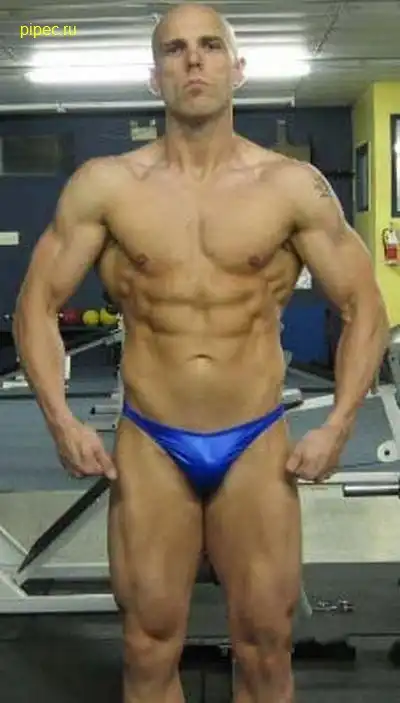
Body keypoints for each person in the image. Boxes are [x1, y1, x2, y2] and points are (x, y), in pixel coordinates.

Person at [12, 4, 389, 703]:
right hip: (152, 440)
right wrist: (60, 419)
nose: (193, 60)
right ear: (153, 76)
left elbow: (365, 305)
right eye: (175, 48)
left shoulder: (290, 186)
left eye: (211, 46)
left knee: (267, 647)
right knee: (147, 647)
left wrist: (339, 423)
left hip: (255, 438)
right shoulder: (106, 185)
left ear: (237, 69)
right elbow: (33, 304)